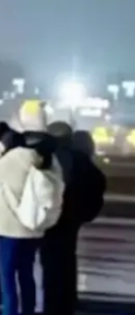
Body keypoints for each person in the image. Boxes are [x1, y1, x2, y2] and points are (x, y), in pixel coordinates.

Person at [0, 130, 63, 315]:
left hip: (9, 227)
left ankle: (10, 312)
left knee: (7, 278)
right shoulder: (51, 161)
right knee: (26, 274)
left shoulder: (16, 157)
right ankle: (28, 310)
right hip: (34, 226)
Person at [41, 122, 106, 315]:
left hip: (54, 216)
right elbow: (97, 182)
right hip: (73, 217)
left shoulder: (52, 158)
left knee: (51, 262)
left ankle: (54, 303)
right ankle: (67, 299)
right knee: (67, 257)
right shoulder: (81, 160)